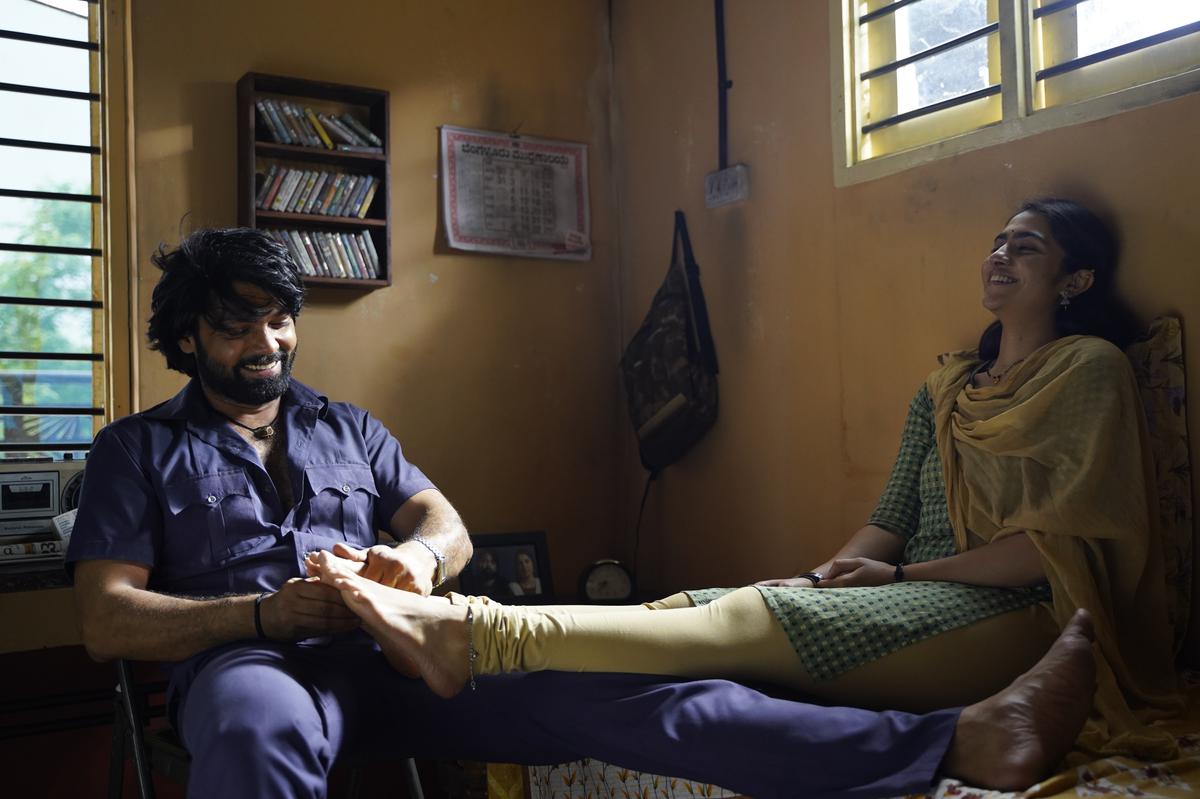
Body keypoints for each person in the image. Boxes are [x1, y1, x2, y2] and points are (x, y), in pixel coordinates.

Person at [65, 226, 1090, 799]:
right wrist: (261, 615)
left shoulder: (351, 427)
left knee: (637, 693)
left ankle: (953, 742)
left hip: (405, 652)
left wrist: (417, 565)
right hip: (252, 664)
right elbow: (106, 619)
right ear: (186, 338)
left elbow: (445, 524)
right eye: (236, 324)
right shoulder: (134, 450)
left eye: (280, 317)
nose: (267, 340)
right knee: (257, 728)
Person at [307, 199, 1183, 762]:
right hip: (911, 588)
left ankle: (475, 632)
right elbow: (887, 517)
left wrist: (896, 576)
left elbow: (1049, 550)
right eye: (996, 240)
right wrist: (821, 577)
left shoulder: (1091, 369)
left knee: (748, 620)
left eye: (1025, 247)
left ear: (1075, 278)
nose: (999, 255)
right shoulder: (947, 385)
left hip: (1024, 615)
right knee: (698, 609)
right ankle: (470, 657)